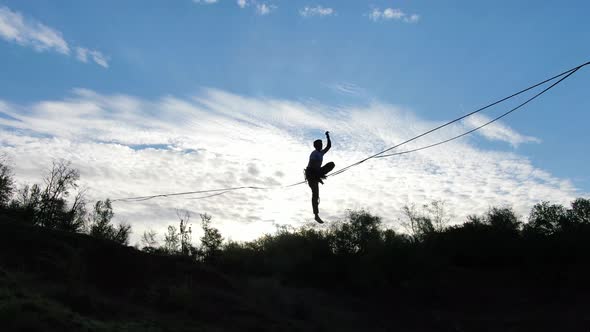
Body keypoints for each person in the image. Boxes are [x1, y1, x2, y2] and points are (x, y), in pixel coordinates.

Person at [305, 131, 335, 224]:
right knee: (315, 195)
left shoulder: (321, 153)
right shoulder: (314, 154)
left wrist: (328, 136)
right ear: (316, 146)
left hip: (317, 172)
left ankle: (320, 174)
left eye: (321, 144)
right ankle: (316, 215)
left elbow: (329, 146)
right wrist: (318, 177)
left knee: (331, 164)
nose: (321, 145)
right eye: (320, 144)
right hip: (311, 175)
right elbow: (313, 167)